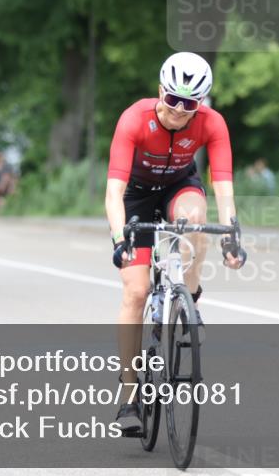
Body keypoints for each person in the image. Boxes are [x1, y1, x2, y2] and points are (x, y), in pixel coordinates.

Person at [105, 52, 246, 433]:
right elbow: (113, 191)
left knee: (196, 220)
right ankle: (129, 396)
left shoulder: (212, 123)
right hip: (135, 196)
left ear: (201, 105)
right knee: (135, 292)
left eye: (190, 105)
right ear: (160, 92)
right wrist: (121, 240)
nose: (179, 112)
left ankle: (190, 294)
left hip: (179, 187)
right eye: (173, 101)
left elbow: (223, 186)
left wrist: (231, 234)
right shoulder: (135, 118)